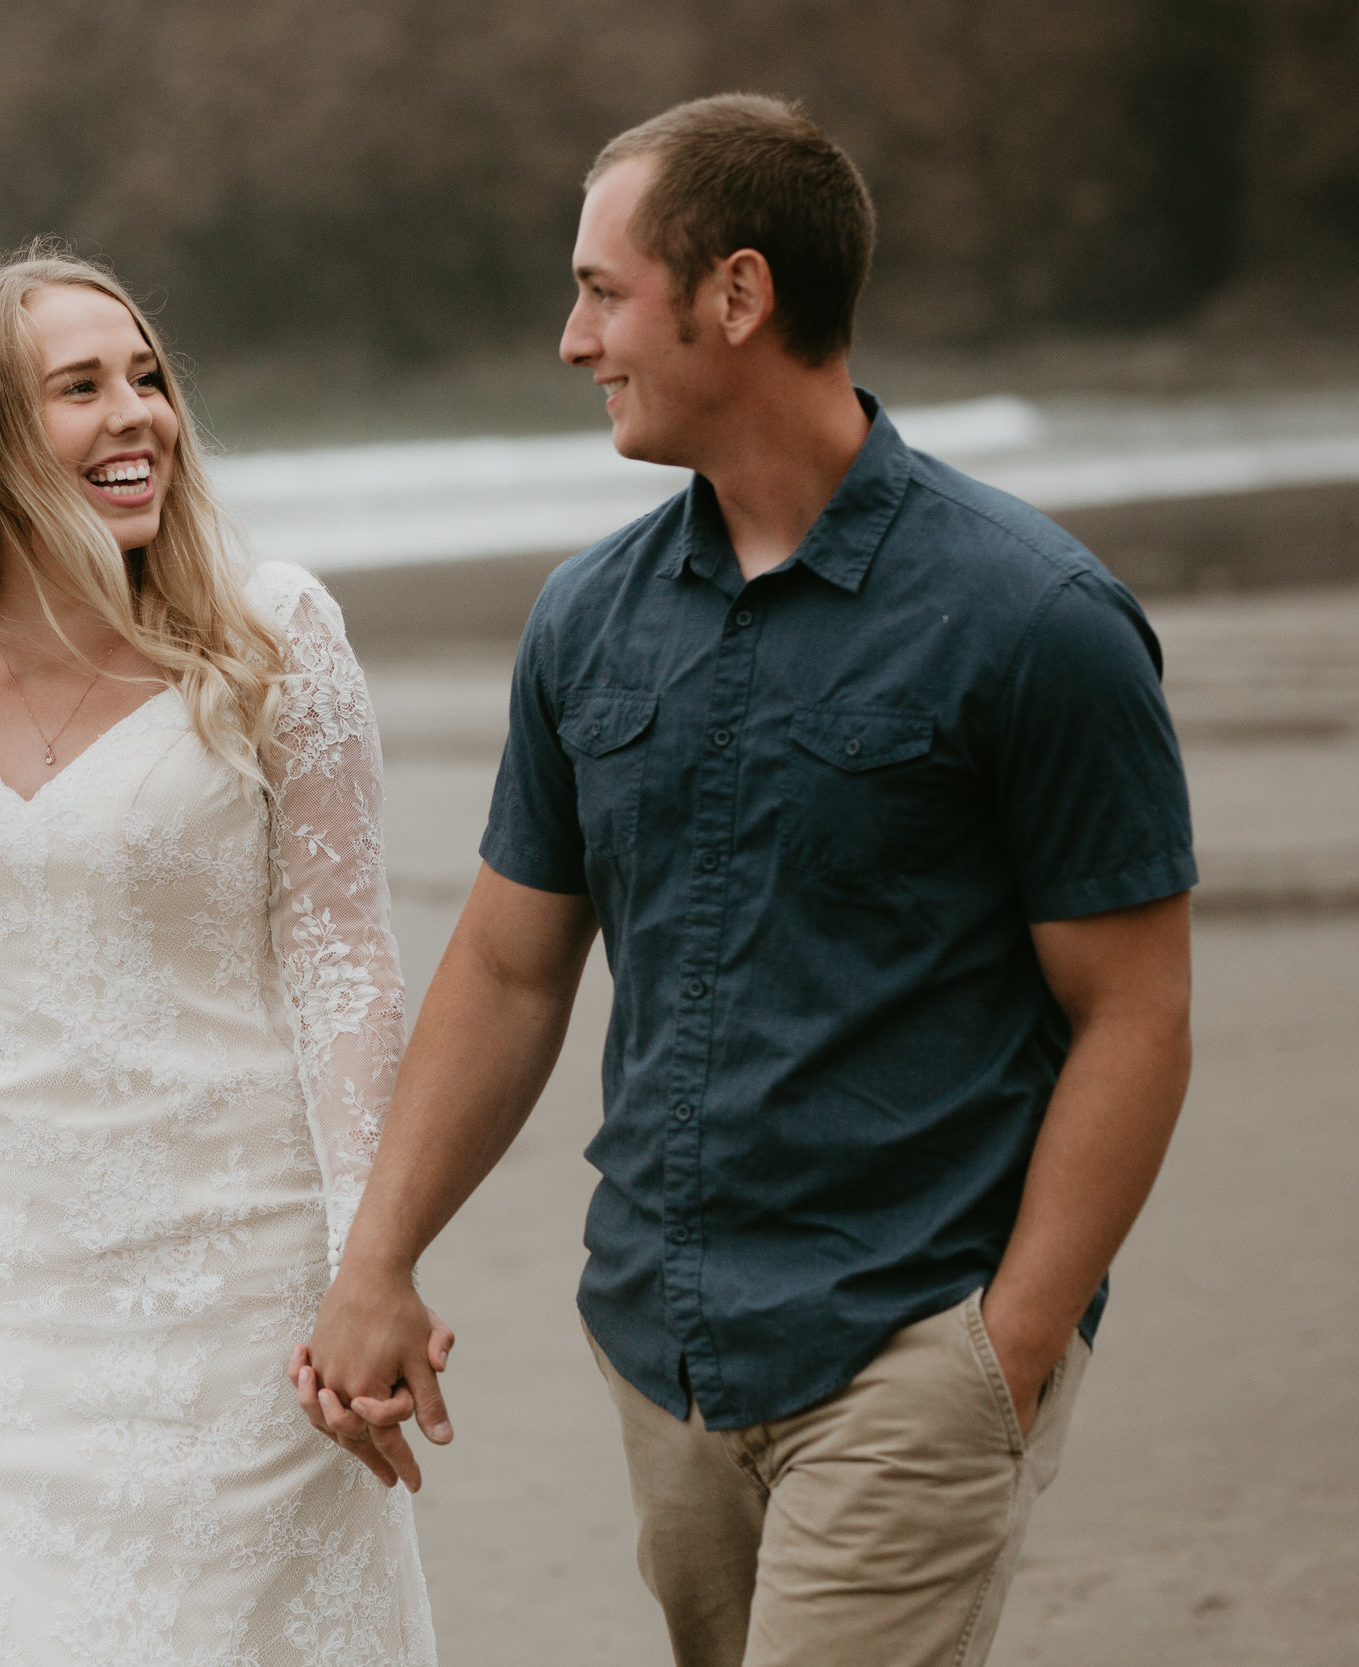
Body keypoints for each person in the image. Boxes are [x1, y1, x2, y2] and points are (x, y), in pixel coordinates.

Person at [294, 94, 1197, 1666]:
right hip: (666, 1349)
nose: (573, 340)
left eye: (600, 288)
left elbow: (1134, 1014)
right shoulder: (588, 622)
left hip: (913, 1340)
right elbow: (512, 970)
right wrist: (378, 1258)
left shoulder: (1036, 620)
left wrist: (1012, 1345)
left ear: (737, 294)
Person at [0, 242, 438, 1665]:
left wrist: (368, 1257)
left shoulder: (271, 628)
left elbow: (346, 963)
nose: (139, 415)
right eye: (80, 389)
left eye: (148, 379)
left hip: (235, 1284)